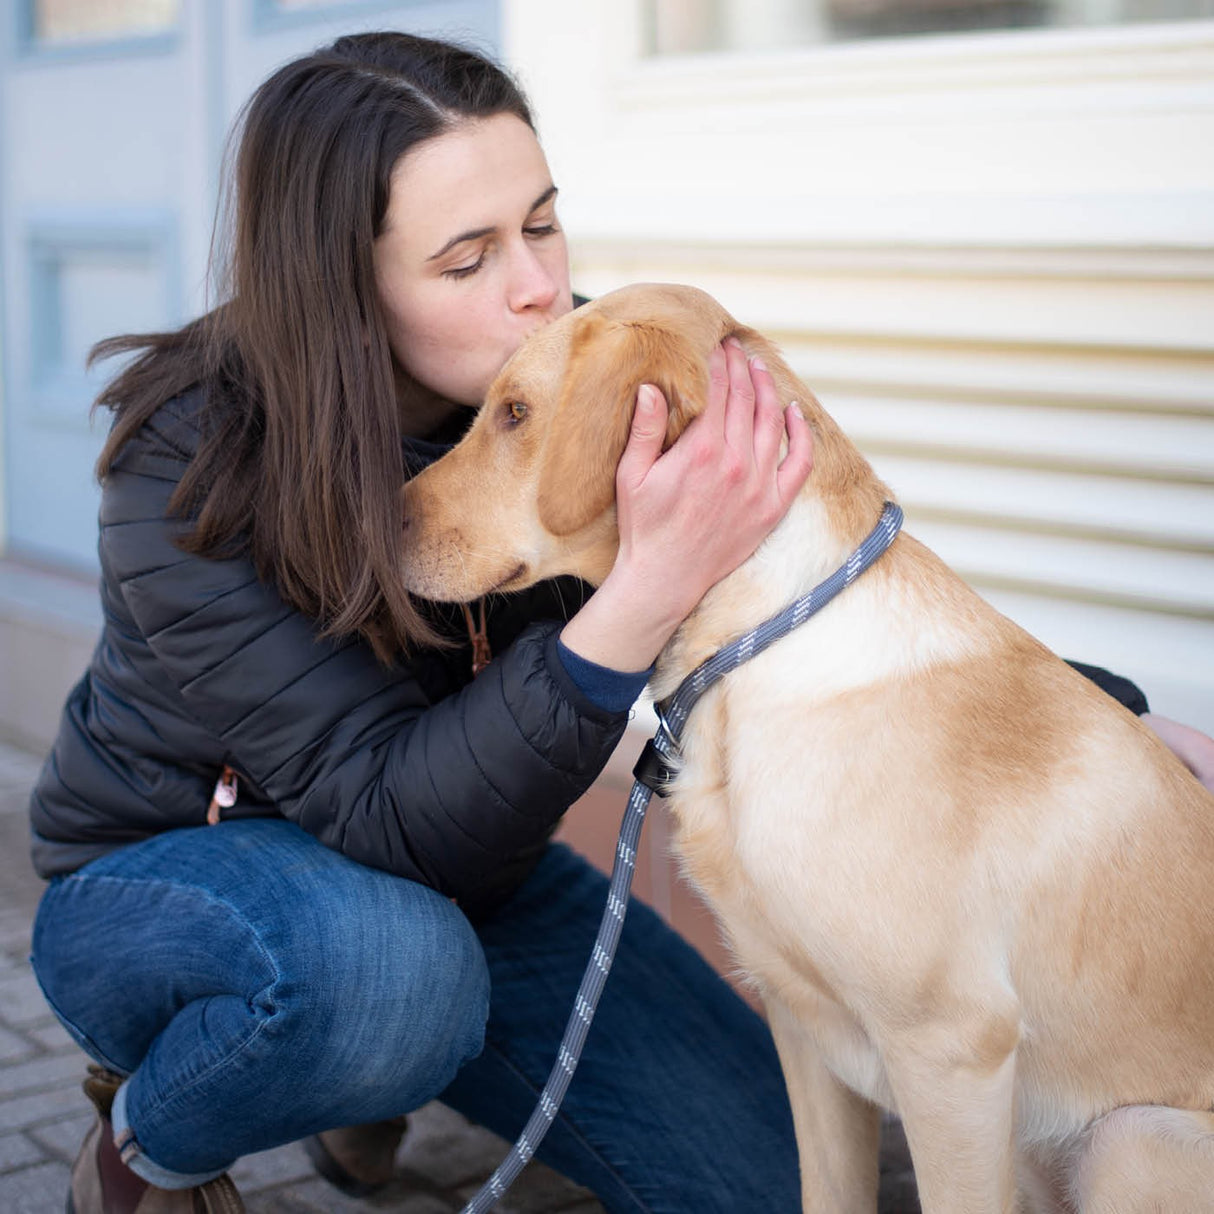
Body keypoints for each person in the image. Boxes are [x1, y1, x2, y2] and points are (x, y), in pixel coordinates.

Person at [25, 29, 1214, 1214]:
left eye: (540, 223)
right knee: (386, 974)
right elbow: (383, 807)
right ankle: (151, 1139)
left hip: (472, 870)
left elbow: (823, 577)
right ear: (342, 282)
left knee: (743, 1174)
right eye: (467, 256)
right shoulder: (195, 451)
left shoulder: (579, 367)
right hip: (182, 880)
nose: (537, 282)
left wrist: (1099, 715)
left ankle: (372, 1071)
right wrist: (641, 595)